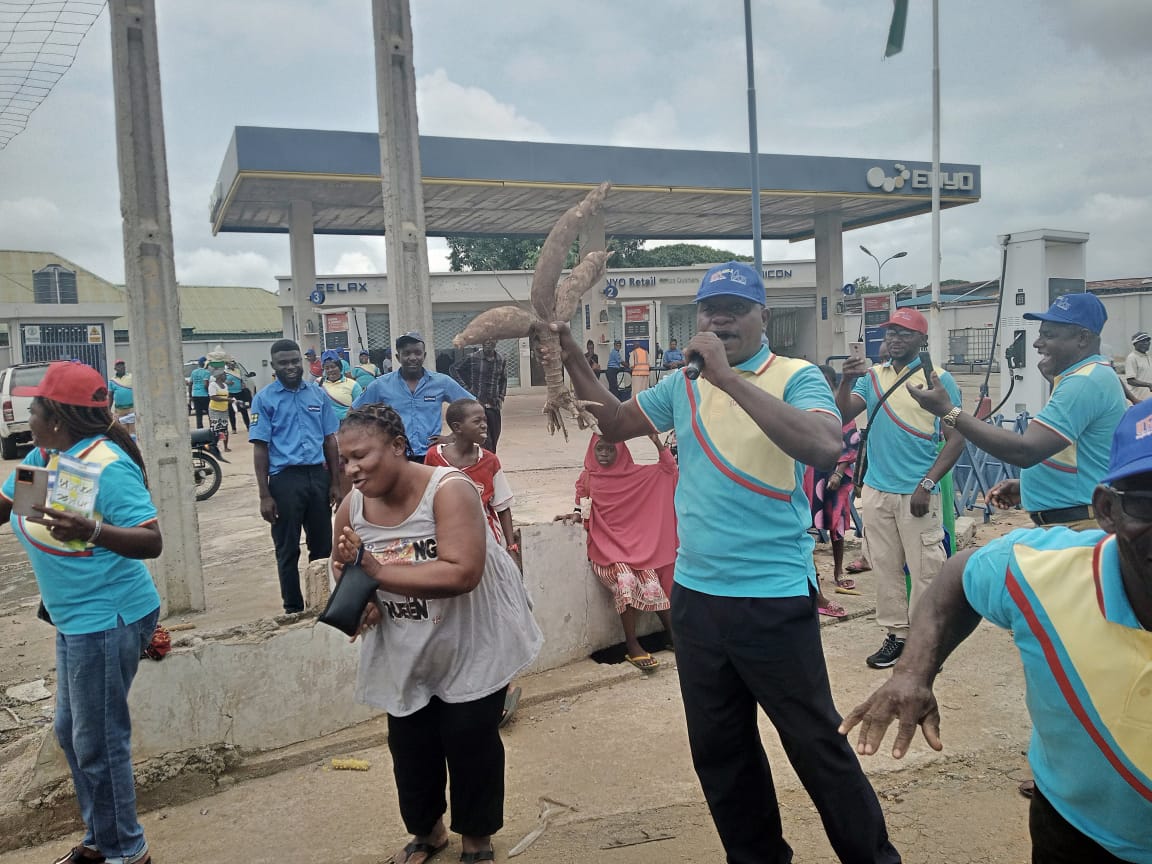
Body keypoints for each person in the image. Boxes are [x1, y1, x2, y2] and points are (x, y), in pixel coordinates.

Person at [544, 261, 900, 863]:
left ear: (764, 316)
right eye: (711, 309)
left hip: (772, 596)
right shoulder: (681, 384)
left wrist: (728, 379)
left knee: (814, 743)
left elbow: (823, 446)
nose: (722, 319)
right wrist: (572, 353)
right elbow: (616, 422)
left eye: (736, 309)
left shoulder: (795, 376)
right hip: (696, 597)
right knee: (721, 749)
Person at [842, 398, 1152, 864]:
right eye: (1149, 501)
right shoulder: (1041, 573)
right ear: (1107, 510)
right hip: (1076, 830)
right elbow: (958, 576)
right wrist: (913, 671)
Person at [332, 403, 542, 864]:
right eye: (344, 460)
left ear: (398, 446)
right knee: (410, 746)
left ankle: (476, 838)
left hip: (472, 638)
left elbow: (462, 572)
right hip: (405, 642)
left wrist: (377, 572)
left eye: (361, 456)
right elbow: (343, 565)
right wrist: (363, 600)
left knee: (470, 739)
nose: (351, 470)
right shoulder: (352, 506)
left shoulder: (449, 490)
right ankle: (428, 833)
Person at [1, 361, 163, 864]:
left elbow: (151, 541)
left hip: (108, 617)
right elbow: (9, 506)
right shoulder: (46, 456)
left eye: (34, 408)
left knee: (98, 741)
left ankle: (126, 852)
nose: (27, 416)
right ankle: (102, 841)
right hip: (74, 618)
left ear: (57, 417)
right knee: (73, 735)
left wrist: (90, 530)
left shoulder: (105, 466)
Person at [907, 293, 1126, 534]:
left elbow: (1025, 450)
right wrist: (1029, 487)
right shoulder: (1087, 376)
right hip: (1071, 519)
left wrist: (948, 411)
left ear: (1082, 338)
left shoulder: (1083, 382)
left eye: (1048, 335)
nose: (1037, 343)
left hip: (1078, 526)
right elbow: (1076, 456)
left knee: (972, 559)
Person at [836, 307, 966, 669]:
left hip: (917, 493)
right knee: (885, 569)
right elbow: (843, 414)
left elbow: (957, 439)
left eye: (904, 333)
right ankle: (896, 635)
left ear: (922, 339)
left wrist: (928, 483)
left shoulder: (939, 379)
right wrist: (845, 381)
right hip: (877, 490)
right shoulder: (872, 377)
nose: (894, 339)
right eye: (891, 332)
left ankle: (927, 642)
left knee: (926, 571)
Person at [558, 434, 676, 672]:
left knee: (651, 582)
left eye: (610, 449)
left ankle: (674, 637)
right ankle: (632, 645)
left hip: (635, 549)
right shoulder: (587, 478)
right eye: (599, 449)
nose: (604, 454)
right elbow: (581, 508)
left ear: (620, 451)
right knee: (625, 579)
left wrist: (656, 442)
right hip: (604, 550)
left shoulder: (634, 474)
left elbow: (669, 470)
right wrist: (574, 515)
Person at [249, 339, 342, 614]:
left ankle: (324, 604)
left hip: (317, 476)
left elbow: (330, 440)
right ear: (274, 365)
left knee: (322, 545)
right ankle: (293, 608)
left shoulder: (317, 394)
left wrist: (335, 482)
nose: (290, 367)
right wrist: (264, 495)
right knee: (287, 548)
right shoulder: (264, 399)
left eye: (294, 361)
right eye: (283, 363)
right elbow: (260, 448)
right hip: (285, 480)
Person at [354, 332, 473, 464]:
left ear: (424, 355)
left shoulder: (442, 382)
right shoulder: (381, 384)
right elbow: (354, 412)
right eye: (406, 353)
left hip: (431, 456)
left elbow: (472, 408)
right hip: (396, 457)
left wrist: (452, 437)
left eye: (417, 353)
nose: (412, 358)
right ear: (398, 357)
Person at [805, 365, 863, 617]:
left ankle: (838, 571)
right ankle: (814, 580)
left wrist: (838, 473)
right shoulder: (804, 409)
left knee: (836, 522)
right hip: (811, 475)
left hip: (836, 474)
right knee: (806, 526)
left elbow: (851, 443)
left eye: (827, 382)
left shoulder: (841, 412)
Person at [425, 399, 516, 549]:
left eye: (485, 420)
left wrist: (512, 547)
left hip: (485, 542)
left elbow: (503, 507)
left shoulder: (490, 461)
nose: (484, 425)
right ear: (457, 427)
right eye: (477, 421)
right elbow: (425, 500)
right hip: (445, 539)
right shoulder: (434, 457)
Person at [450, 341, 508, 452]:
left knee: (494, 439)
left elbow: (503, 379)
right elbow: (454, 369)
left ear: (496, 341)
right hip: (477, 405)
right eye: (485, 340)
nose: (488, 342)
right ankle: (483, 460)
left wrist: (501, 396)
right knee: (484, 440)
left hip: (494, 406)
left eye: (491, 339)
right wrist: (467, 391)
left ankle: (490, 460)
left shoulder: (501, 359)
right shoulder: (473, 357)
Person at [317, 348, 363, 422]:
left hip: (346, 424)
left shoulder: (353, 385)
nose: (330, 370)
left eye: (333, 367)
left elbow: (361, 407)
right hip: (323, 423)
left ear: (340, 367)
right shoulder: (318, 383)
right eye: (327, 368)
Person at [207, 368, 233, 452]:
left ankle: (225, 447)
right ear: (219, 376)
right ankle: (213, 446)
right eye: (224, 375)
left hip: (224, 409)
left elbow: (226, 396)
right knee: (216, 429)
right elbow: (213, 397)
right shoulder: (213, 385)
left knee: (224, 428)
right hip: (215, 409)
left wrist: (231, 400)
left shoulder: (225, 385)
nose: (226, 376)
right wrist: (227, 400)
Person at [108, 359, 135, 435]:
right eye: (119, 365)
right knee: (123, 432)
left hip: (131, 409)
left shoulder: (131, 377)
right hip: (119, 411)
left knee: (133, 433)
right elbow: (110, 396)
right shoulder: (112, 381)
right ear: (115, 368)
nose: (121, 367)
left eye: (122, 365)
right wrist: (108, 409)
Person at [1124, 330, 1151, 402]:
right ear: (1135, 343)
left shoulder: (1148, 357)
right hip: (1138, 399)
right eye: (1143, 341)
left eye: (1148, 341)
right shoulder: (1132, 357)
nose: (1146, 343)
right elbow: (1130, 380)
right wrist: (1148, 385)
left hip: (1148, 399)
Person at [225, 360, 251, 431]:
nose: (232, 365)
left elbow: (242, 379)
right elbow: (221, 380)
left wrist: (243, 384)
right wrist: (227, 382)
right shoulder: (225, 372)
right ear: (227, 364)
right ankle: (234, 428)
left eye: (233, 363)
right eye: (230, 363)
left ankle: (248, 426)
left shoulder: (238, 371)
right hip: (230, 393)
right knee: (231, 411)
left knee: (244, 410)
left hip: (240, 392)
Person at [188, 356, 211, 429]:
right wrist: (209, 393)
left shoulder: (194, 372)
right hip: (204, 395)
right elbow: (206, 385)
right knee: (210, 413)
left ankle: (200, 429)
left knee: (198, 414)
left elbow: (190, 384)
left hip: (195, 395)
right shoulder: (206, 372)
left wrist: (190, 395)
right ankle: (212, 427)